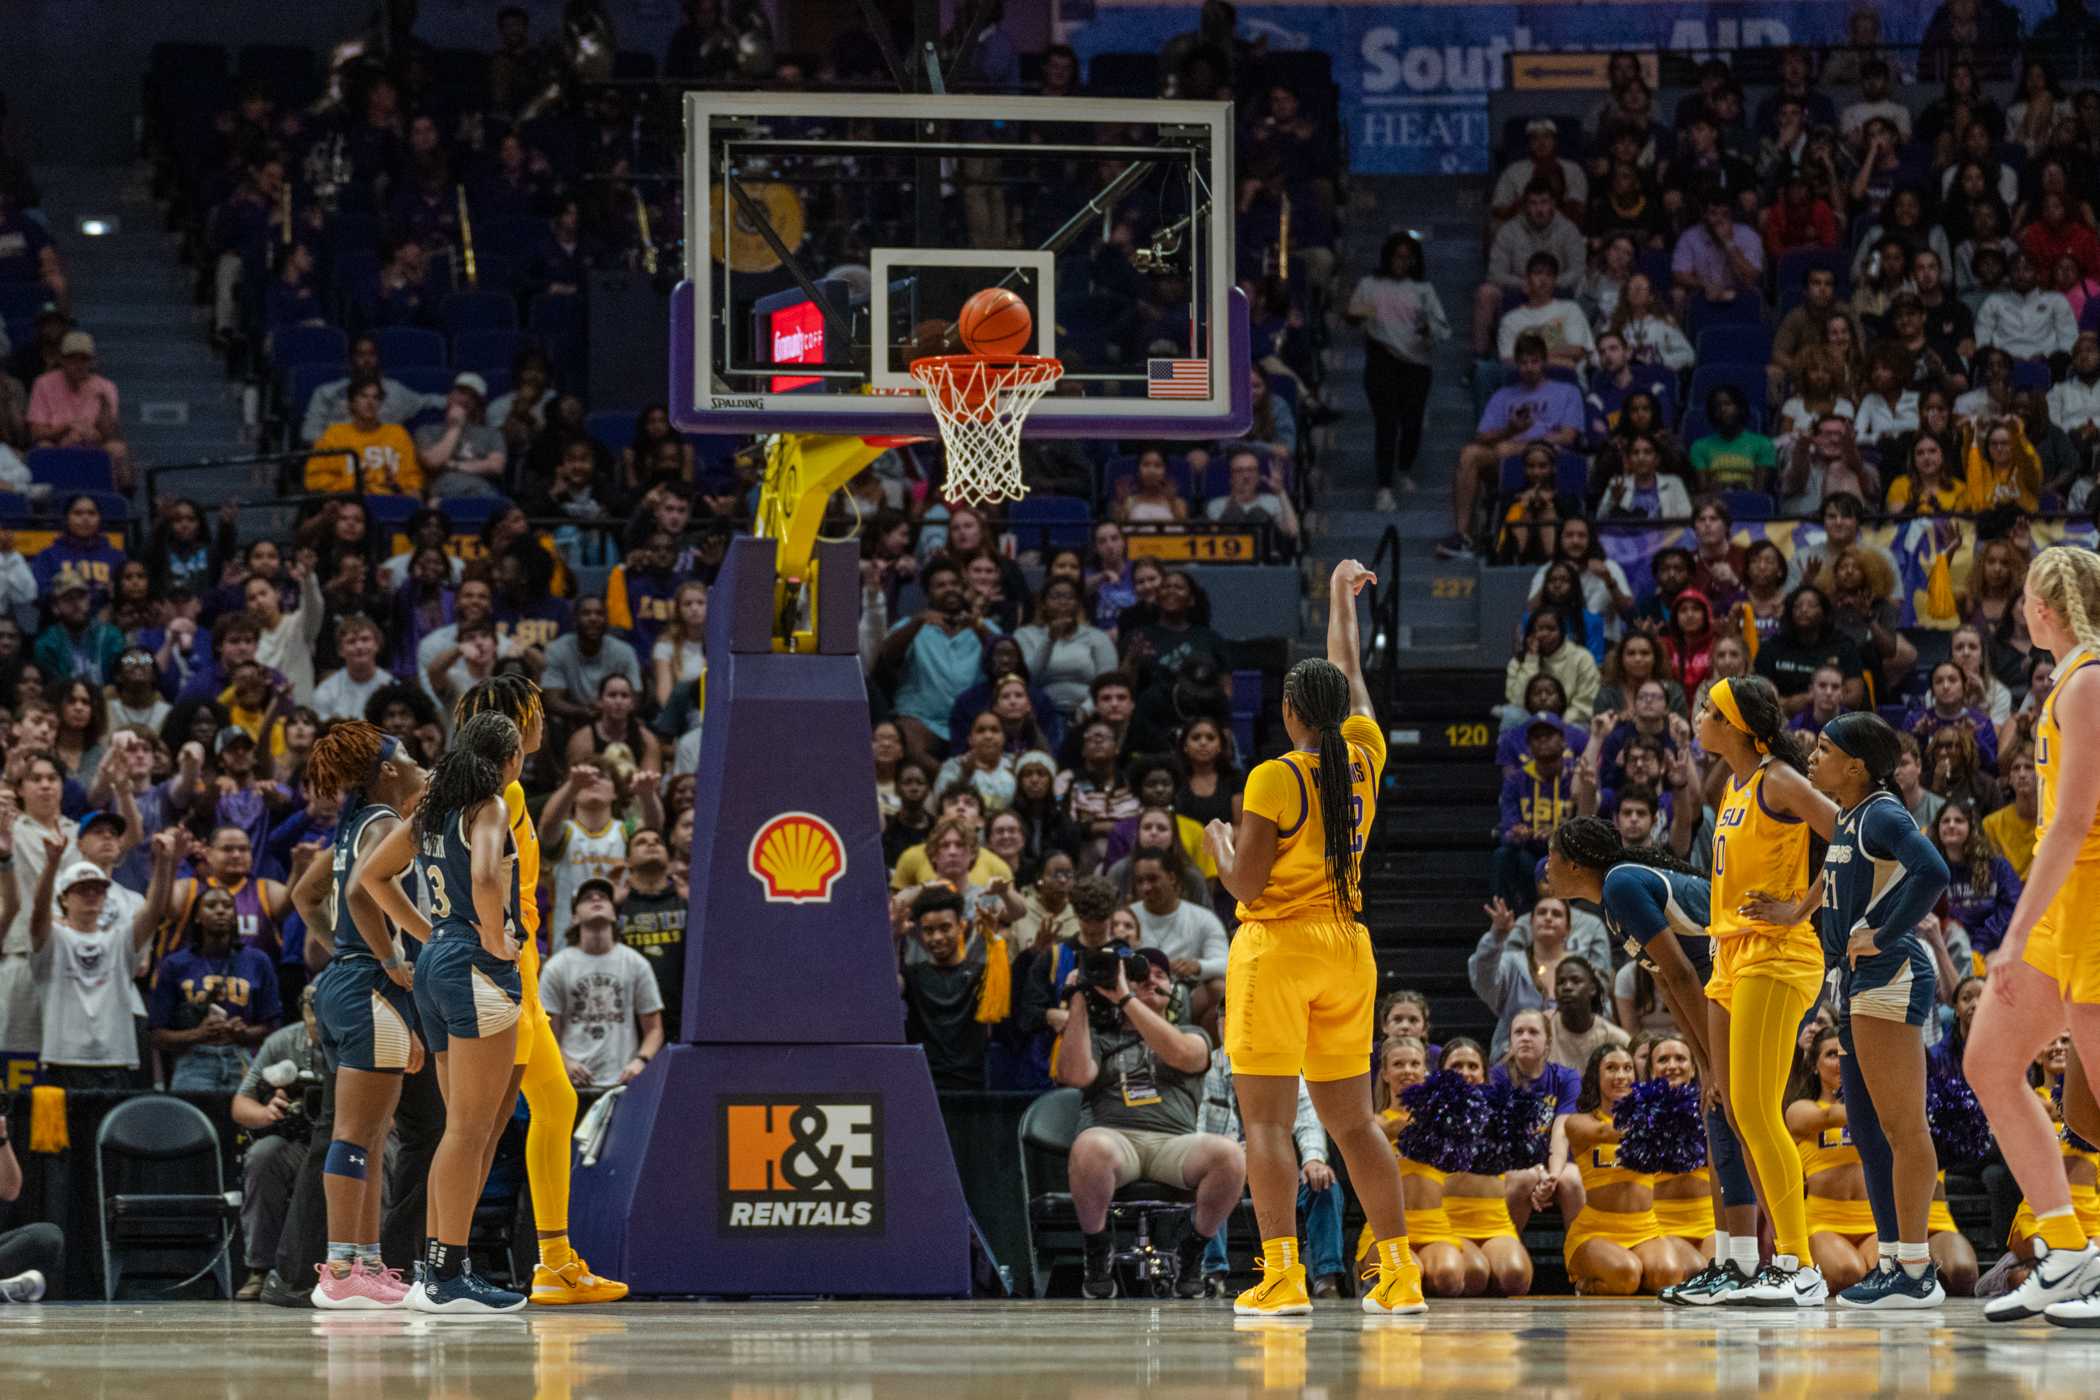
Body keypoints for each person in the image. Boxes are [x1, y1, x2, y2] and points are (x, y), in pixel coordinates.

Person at [1204, 559, 1422, 1317]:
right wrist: (1339, 598)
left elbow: (1247, 886)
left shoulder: (1273, 776)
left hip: (1279, 948)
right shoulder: (1363, 754)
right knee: (1354, 1123)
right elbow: (1349, 667)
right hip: (1348, 948)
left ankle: (1283, 1275)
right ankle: (1399, 1273)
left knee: (1263, 1123)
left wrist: (1218, 848)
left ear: (1293, 713)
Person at [451, 675, 627, 1306]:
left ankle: (554, 1260)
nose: (544, 725)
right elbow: (481, 881)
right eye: (535, 716)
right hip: (501, 969)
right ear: (512, 726)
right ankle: (443, 1265)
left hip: (520, 968)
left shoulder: (503, 791)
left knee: (554, 1105)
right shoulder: (497, 795)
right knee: (483, 1124)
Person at [1966, 547, 2100, 1324]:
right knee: (1989, 1062)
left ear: (2045, 607)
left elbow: (2075, 820)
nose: (2020, 610)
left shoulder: (2087, 681)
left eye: (2025, 598)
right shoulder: (2066, 680)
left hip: (2088, 902)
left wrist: (2013, 936)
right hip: (2062, 908)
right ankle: (2069, 1251)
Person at [355, 711, 528, 1313]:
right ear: (508, 761)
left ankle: (436, 1269)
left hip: (437, 963)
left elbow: (371, 876)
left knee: (460, 1129)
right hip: (476, 966)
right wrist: (493, 937)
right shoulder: (489, 806)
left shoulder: (430, 811)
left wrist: (429, 935)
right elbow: (484, 873)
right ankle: (447, 1276)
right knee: (470, 1131)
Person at [1695, 674, 1839, 1305]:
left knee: (1759, 1112)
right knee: (1734, 1106)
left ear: (1736, 725)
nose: (1699, 717)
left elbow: (1850, 833)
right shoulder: (1732, 783)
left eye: (1709, 709)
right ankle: (1763, 1262)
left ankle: (1798, 1264)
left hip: (1777, 954)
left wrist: (1801, 909)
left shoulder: (1779, 778)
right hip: (1730, 954)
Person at [1801, 713, 1953, 1306]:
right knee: (1867, 1128)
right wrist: (1797, 912)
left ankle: (1916, 1269)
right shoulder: (1848, 816)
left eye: (1822, 750)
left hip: (1890, 975)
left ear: (1856, 765)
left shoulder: (1884, 812)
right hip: (1856, 980)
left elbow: (1934, 871)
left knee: (1903, 1127)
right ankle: (1892, 1259)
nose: (1813, 759)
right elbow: (1833, 881)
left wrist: (1886, 933)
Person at [292, 721, 428, 1309]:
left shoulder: (355, 825)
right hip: (369, 984)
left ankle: (364, 1262)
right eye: (411, 756)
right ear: (390, 771)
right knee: (356, 1134)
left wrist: (342, 948)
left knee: (371, 1136)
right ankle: (342, 1269)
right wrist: (389, 956)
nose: (422, 762)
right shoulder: (386, 824)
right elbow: (354, 896)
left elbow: (305, 895)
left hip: (349, 982)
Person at [1052, 944, 1245, 1301]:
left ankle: (1193, 1251)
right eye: (1143, 975)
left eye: (1162, 975)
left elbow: (1185, 1056)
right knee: (1089, 1146)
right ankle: (1097, 1252)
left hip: (1174, 1142)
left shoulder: (1192, 1032)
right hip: (1115, 1138)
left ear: (1174, 992)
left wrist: (1126, 999)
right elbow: (1075, 1074)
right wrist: (1079, 997)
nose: (1153, 980)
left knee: (1230, 1155)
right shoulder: (1101, 1036)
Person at [1555, 1044, 1701, 1295]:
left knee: (1668, 1276)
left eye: (1627, 1068)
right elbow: (1605, 1132)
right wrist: (1660, 1121)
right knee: (1626, 1275)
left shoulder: (1651, 1118)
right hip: (1595, 1231)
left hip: (1646, 1229)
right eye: (1611, 1068)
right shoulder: (1579, 1122)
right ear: (1596, 1077)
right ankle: (1586, 1282)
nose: (1620, 1075)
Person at [1346, 230, 1447, 509]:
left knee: (1412, 423)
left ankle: (1403, 468)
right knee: (1386, 423)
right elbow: (1353, 315)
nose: (1401, 262)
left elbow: (1443, 330)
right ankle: (1384, 486)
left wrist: (1429, 328)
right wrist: (1357, 315)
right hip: (1382, 360)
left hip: (1416, 364)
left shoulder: (1424, 291)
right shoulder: (1369, 284)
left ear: (1415, 260)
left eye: (1407, 257)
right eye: (1397, 256)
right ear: (1387, 258)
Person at [539, 881, 664, 1089]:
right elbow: (547, 1032)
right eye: (587, 898)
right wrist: (564, 1063)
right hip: (572, 1083)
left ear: (615, 914)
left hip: (623, 1082)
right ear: (574, 917)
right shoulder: (556, 967)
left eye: (603, 897)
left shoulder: (636, 963)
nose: (596, 899)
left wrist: (640, 1062)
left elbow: (654, 1029)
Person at [306, 376, 422, 497]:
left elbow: (413, 479)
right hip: (351, 500)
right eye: (363, 396)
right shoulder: (334, 435)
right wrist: (353, 483)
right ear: (352, 402)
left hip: (392, 500)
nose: (370, 402)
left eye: (375, 398)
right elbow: (315, 480)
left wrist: (396, 484)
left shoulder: (398, 433)